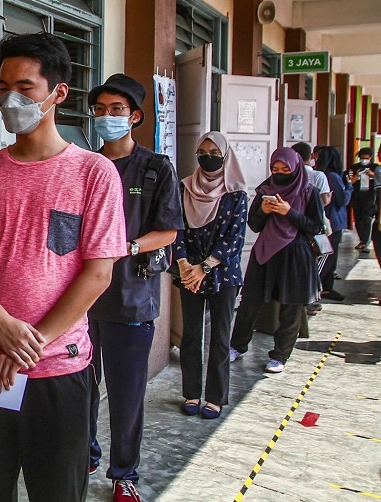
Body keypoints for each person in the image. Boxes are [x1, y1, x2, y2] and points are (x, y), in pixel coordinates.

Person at [0, 32, 126, 502]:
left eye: (25, 88)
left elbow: (98, 273)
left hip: (58, 369)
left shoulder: (93, 173)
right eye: (5, 87)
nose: (11, 99)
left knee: (57, 491)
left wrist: (30, 344)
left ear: (58, 93)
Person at [88, 74, 183, 502]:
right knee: (81, 388)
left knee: (127, 397)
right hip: (83, 301)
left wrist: (123, 246)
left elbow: (167, 232)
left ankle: (124, 473)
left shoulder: (156, 167)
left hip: (130, 299)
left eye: (117, 110)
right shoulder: (86, 165)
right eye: (101, 110)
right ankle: (83, 455)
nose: (107, 117)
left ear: (135, 116)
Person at [230, 147, 324, 374]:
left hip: (296, 255)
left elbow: (316, 226)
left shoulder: (308, 192)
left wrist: (288, 211)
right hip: (265, 252)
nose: (280, 173)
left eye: (285, 169)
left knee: (290, 308)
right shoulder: (265, 190)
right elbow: (254, 224)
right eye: (275, 169)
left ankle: (280, 355)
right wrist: (263, 210)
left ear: (296, 168)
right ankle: (237, 346)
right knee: (250, 302)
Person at [173, 133, 248, 420]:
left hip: (222, 274)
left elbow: (235, 239)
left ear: (225, 155)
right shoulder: (185, 188)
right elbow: (176, 227)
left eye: (214, 151)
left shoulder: (236, 193)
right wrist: (183, 264)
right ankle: (191, 393)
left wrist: (204, 267)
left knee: (219, 337)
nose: (207, 156)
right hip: (188, 272)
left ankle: (215, 397)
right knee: (191, 335)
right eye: (202, 151)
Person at [315, 146, 351, 301]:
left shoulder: (320, 175)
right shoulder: (333, 177)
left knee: (327, 255)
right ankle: (321, 288)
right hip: (334, 222)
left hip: (325, 220)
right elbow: (343, 200)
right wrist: (349, 186)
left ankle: (325, 287)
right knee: (328, 257)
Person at [347, 147, 378, 251]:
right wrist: (357, 174)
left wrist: (372, 175)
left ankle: (365, 241)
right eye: (361, 158)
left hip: (370, 196)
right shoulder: (354, 167)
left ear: (370, 157)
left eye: (366, 158)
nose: (363, 160)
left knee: (366, 218)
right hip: (357, 195)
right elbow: (350, 181)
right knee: (358, 218)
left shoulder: (375, 168)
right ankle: (361, 239)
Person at [292, 142, 330, 208]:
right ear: (311, 156)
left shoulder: (290, 175)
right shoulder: (319, 175)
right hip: (313, 214)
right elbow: (325, 201)